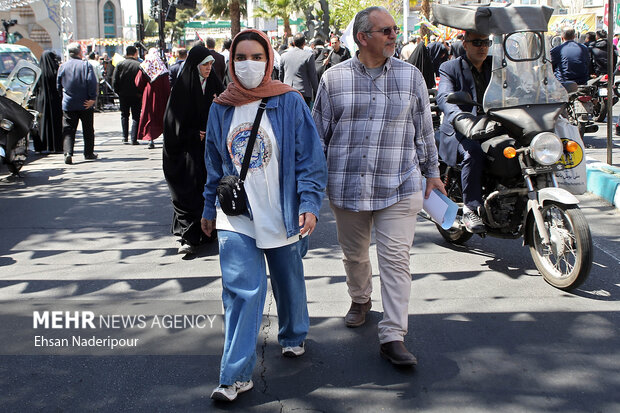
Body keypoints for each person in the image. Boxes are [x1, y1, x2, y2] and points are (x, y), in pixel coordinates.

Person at [312, 6, 444, 367]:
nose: (393, 35)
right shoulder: (333, 79)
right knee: (355, 255)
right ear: (362, 37)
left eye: (394, 30)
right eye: (385, 30)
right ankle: (360, 297)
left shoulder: (411, 76)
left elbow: (424, 129)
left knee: (396, 261)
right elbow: (318, 138)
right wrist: (307, 185)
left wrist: (432, 172)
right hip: (347, 187)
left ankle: (393, 335)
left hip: (399, 183)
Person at [200, 29, 327, 402]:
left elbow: (310, 158)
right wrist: (210, 207)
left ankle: (293, 332)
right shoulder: (221, 106)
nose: (250, 64)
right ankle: (234, 375)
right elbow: (213, 165)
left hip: (282, 211)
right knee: (242, 291)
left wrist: (308, 203)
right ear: (231, 60)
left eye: (258, 57)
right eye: (242, 56)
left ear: (269, 59)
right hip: (236, 215)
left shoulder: (288, 101)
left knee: (288, 279)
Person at [163, 46, 224, 255]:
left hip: (208, 147)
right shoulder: (183, 86)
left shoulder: (214, 82)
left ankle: (207, 232)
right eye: (204, 64)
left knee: (206, 188)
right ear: (195, 65)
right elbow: (173, 122)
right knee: (187, 190)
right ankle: (188, 236)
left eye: (210, 64)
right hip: (185, 149)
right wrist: (191, 134)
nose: (208, 68)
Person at [436, 31, 496, 234]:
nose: (482, 47)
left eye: (486, 42)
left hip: (495, 125)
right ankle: (471, 207)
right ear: (465, 44)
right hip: (462, 129)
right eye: (477, 42)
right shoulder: (450, 67)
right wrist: (460, 118)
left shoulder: (496, 66)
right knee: (473, 153)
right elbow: (444, 96)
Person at [57, 42, 98, 165]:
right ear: (80, 52)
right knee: (88, 129)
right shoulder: (86, 65)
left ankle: (68, 153)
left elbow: (58, 85)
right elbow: (91, 82)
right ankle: (88, 153)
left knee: (68, 129)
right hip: (85, 102)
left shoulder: (63, 67)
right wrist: (92, 98)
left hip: (69, 103)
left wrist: (63, 97)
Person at [135, 48, 170, 149]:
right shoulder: (162, 65)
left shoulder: (146, 64)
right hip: (163, 94)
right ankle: (165, 137)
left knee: (149, 114)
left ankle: (150, 139)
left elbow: (139, 82)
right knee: (162, 114)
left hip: (150, 93)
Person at [32, 51, 63, 154]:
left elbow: (34, 88)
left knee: (41, 123)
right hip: (54, 100)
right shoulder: (56, 70)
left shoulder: (37, 71)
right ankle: (56, 146)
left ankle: (40, 147)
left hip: (41, 101)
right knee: (55, 123)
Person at [112, 45, 143, 145]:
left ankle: (124, 136)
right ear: (135, 53)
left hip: (123, 94)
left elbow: (115, 80)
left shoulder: (120, 64)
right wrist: (140, 92)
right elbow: (142, 80)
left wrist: (118, 91)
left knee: (124, 115)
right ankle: (134, 138)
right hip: (136, 94)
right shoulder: (139, 65)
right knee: (136, 116)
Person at [279, 33, 319, 106]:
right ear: (304, 43)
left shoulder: (284, 56)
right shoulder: (309, 56)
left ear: (293, 43)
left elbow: (281, 76)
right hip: (304, 92)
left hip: (288, 91)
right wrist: (317, 91)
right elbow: (313, 76)